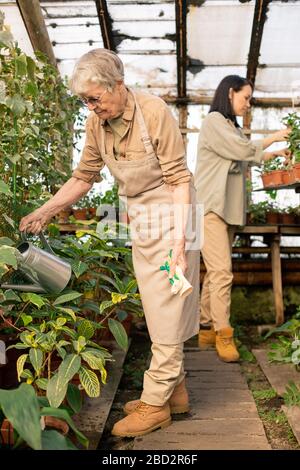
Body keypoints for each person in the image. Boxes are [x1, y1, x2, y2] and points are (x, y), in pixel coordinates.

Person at [19, 49, 200, 437]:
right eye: (85, 100)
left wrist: (180, 242)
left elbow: (179, 179)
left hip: (174, 210)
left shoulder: (153, 113)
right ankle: (177, 392)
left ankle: (155, 404)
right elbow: (84, 176)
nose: (90, 106)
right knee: (156, 305)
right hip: (140, 215)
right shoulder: (95, 124)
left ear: (118, 85)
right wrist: (45, 210)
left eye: (95, 98)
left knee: (170, 305)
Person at [194, 75, 290, 363]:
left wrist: (275, 153)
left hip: (225, 210)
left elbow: (244, 154)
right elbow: (241, 150)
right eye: (245, 97)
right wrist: (274, 137)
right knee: (223, 272)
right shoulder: (213, 121)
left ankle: (204, 329)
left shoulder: (228, 126)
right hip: (211, 208)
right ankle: (224, 333)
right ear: (230, 93)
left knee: (215, 272)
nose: (248, 104)